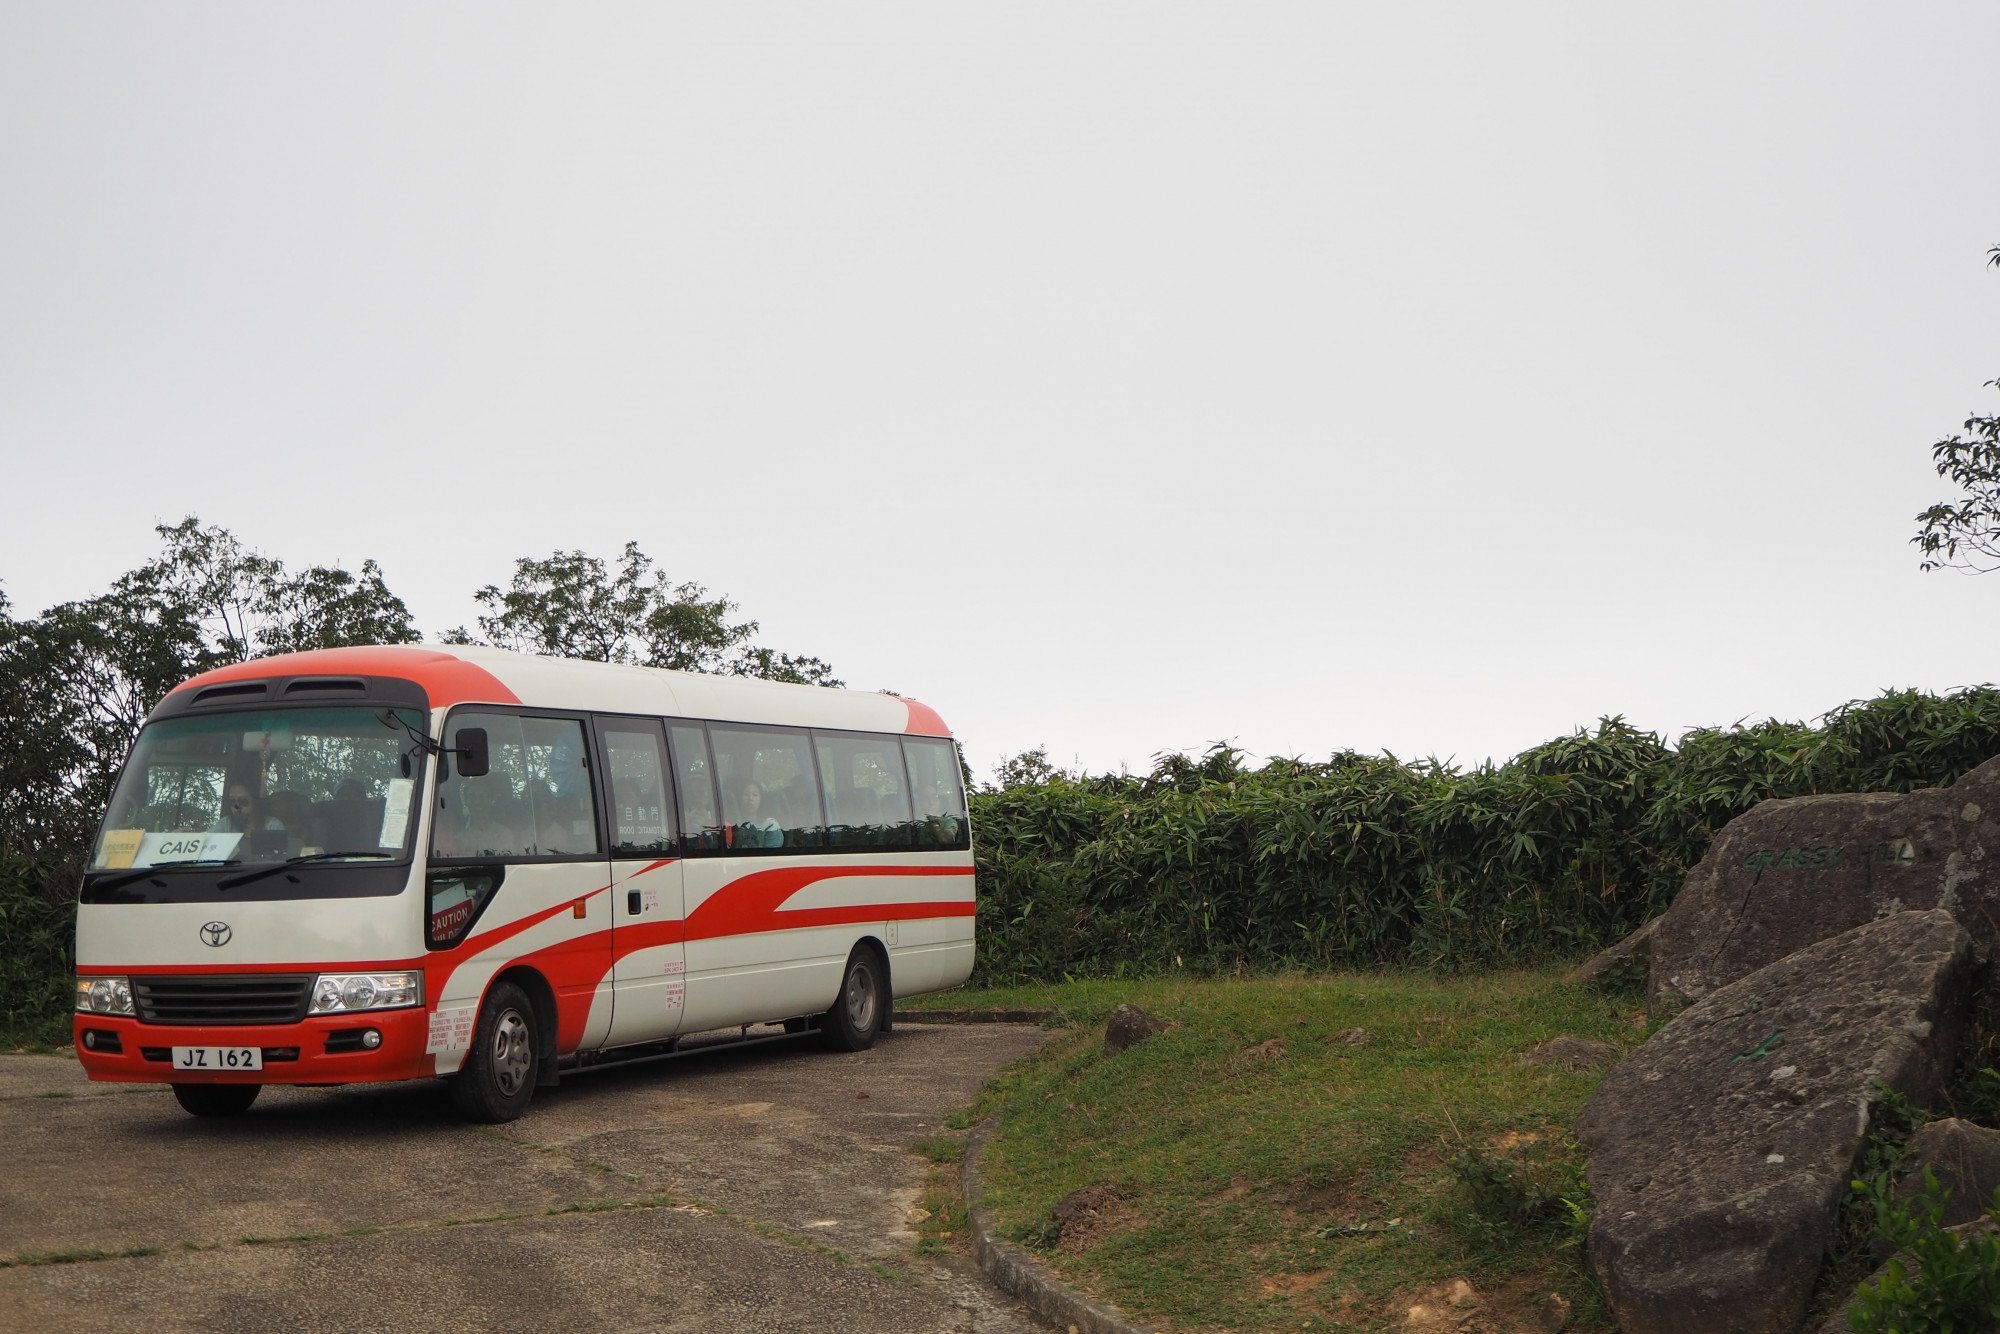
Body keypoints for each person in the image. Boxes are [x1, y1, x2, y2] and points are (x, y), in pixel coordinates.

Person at [734, 780, 784, 849]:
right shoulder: (732, 825)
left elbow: (771, 856)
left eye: (755, 795)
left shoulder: (770, 825)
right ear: (739, 799)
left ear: (761, 800)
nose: (750, 798)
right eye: (746, 794)